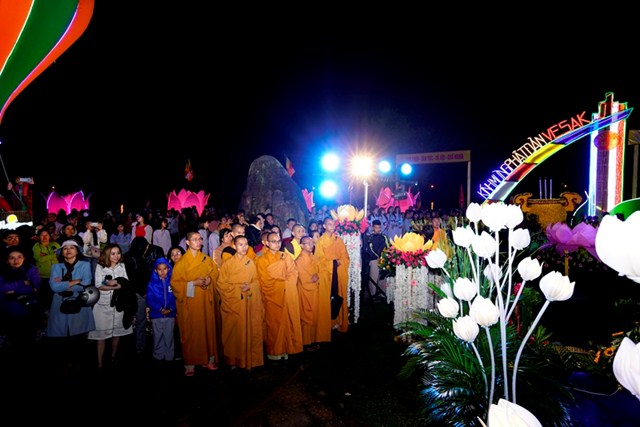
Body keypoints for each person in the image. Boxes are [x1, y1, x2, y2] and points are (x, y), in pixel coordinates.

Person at [170, 231, 220, 376]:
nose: (198, 242)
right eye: (195, 239)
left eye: (200, 239)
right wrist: (193, 283)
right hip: (190, 303)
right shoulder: (181, 263)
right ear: (187, 242)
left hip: (205, 301)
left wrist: (210, 279)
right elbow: (175, 285)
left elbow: (215, 274)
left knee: (207, 329)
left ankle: (208, 359)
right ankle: (190, 363)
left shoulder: (206, 259)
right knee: (191, 332)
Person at [46, 240, 95, 376]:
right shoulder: (56, 267)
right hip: (59, 304)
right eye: (65, 248)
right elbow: (54, 287)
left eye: (72, 248)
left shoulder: (85, 264)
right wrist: (76, 281)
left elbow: (86, 283)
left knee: (78, 336)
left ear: (77, 251)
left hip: (78, 303)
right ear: (61, 252)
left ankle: (77, 363)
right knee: (63, 338)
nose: (68, 250)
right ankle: (66, 364)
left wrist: (64, 284)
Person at [216, 235, 264, 370]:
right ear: (234, 246)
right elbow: (221, 285)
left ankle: (248, 358)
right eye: (240, 244)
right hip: (233, 303)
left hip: (247, 303)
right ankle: (233, 359)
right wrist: (237, 290)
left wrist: (250, 286)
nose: (244, 247)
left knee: (248, 330)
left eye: (246, 244)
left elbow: (256, 281)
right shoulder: (228, 264)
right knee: (234, 332)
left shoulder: (251, 262)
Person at [255, 231, 303, 362]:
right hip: (272, 297)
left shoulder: (285, 256)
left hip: (286, 295)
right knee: (273, 325)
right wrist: (282, 284)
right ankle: (274, 352)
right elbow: (264, 281)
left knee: (288, 322)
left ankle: (288, 348)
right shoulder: (261, 260)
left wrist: (286, 283)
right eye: (273, 241)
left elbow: (293, 272)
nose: (277, 244)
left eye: (279, 241)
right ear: (267, 243)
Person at [87, 243, 132, 370]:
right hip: (103, 305)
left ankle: (113, 357)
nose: (116, 256)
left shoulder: (122, 266)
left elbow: (126, 283)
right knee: (101, 335)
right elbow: (99, 285)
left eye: (118, 253)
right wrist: (116, 285)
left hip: (118, 304)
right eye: (113, 253)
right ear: (107, 254)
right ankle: (99, 363)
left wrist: (116, 284)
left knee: (117, 332)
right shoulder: (100, 267)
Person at [123, 236, 165, 353]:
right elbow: (131, 276)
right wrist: (143, 291)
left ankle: (159, 345)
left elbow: (162, 272)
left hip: (155, 291)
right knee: (140, 319)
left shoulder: (157, 251)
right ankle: (140, 345)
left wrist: (152, 291)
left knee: (158, 319)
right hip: (139, 291)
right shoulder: (129, 255)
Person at [0, 246, 42, 349]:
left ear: (24, 258)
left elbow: (35, 286)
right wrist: (23, 282)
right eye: (12, 258)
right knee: (13, 338)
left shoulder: (31, 269)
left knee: (29, 337)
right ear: (7, 260)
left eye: (19, 257)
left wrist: (12, 289)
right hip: (9, 309)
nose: (16, 260)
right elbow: (2, 287)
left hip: (28, 308)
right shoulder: (2, 271)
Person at [314, 217, 350, 333]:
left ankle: (339, 321)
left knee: (339, 295)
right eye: (329, 224)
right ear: (324, 226)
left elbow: (345, 257)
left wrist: (339, 263)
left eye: (333, 224)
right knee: (327, 298)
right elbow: (318, 260)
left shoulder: (338, 240)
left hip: (338, 273)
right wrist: (333, 263)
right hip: (327, 275)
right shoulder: (320, 241)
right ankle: (328, 324)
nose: (332, 226)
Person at [296, 236, 331, 350]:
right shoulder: (299, 260)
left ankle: (314, 338)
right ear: (301, 245)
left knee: (315, 316)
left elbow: (321, 271)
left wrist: (318, 275)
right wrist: (316, 277)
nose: (311, 245)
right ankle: (306, 342)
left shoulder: (313, 257)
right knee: (307, 317)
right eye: (307, 243)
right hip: (306, 291)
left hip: (315, 291)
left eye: (312, 243)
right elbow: (305, 279)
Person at [146, 257, 177, 364]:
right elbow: (150, 299)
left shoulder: (173, 282)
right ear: (155, 270)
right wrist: (160, 309)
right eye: (160, 269)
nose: (163, 271)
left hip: (170, 314)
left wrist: (171, 309)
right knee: (157, 335)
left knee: (169, 335)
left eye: (165, 269)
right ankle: (158, 355)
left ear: (168, 269)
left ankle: (169, 355)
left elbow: (176, 297)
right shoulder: (152, 284)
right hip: (156, 315)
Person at [31, 228, 61, 314]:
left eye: (46, 235)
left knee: (55, 295)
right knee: (45, 295)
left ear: (49, 236)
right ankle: (45, 313)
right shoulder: (36, 246)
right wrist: (53, 255)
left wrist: (46, 256)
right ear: (38, 237)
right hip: (43, 275)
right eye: (42, 235)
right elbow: (39, 259)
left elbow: (61, 255)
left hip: (56, 274)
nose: (44, 237)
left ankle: (55, 312)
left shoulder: (55, 244)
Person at [363, 219, 390, 300]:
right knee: (373, 277)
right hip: (374, 260)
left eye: (379, 227)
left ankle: (382, 293)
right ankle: (372, 294)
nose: (378, 229)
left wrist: (384, 257)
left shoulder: (384, 237)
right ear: (372, 228)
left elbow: (388, 247)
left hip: (384, 260)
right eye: (376, 227)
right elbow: (369, 250)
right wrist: (377, 257)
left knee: (383, 277)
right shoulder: (369, 238)